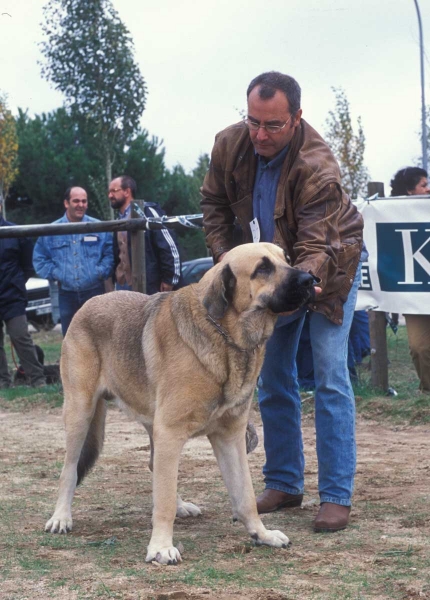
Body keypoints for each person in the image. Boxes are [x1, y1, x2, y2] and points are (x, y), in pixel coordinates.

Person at [201, 71, 364, 532]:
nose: (260, 134)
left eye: (273, 125)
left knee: (331, 376)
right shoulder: (229, 145)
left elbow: (318, 244)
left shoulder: (318, 165)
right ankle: (285, 482)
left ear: (296, 118)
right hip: (269, 271)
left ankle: (335, 495)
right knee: (271, 377)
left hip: (328, 265)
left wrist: (299, 282)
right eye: (253, 121)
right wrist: (227, 261)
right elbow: (212, 204)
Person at [33, 187, 114, 336]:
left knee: (99, 338)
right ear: (66, 203)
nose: (81, 205)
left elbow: (110, 254)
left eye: (84, 201)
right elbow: (39, 258)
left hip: (95, 293)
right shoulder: (51, 230)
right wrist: (56, 273)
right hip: (66, 295)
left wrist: (100, 272)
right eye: (76, 201)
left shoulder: (100, 228)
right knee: (70, 340)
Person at [390, 167, 430, 393]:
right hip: (416, 293)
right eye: (423, 185)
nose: (428, 188)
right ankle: (427, 393)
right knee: (419, 347)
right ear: (409, 191)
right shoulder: (393, 217)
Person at [0, 198, 46, 388]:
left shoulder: (16, 232)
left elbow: (28, 267)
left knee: (20, 336)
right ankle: (3, 383)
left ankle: (38, 380)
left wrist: (15, 284)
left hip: (13, 296)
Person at [108, 175, 181, 293]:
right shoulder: (119, 219)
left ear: (127, 191)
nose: (110, 195)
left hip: (149, 286)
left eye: (114, 191)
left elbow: (168, 246)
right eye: (109, 192)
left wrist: (169, 279)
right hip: (123, 285)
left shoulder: (148, 212)